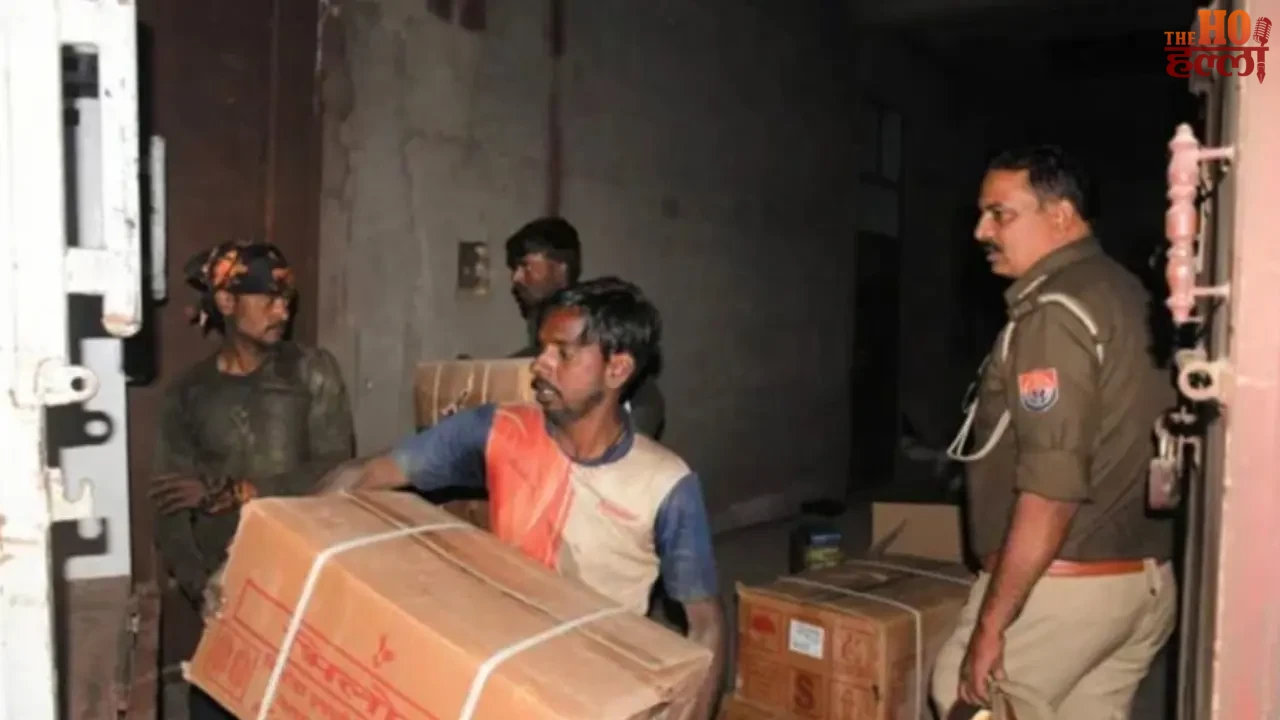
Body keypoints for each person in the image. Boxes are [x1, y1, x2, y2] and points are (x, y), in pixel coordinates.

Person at [319, 277, 724, 719]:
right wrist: (272, 537)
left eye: (563, 353)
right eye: (542, 349)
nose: (540, 366)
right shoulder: (499, 431)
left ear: (617, 369)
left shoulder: (664, 483)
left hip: (601, 688)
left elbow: (705, 624)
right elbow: (363, 474)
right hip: (504, 661)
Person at [933, 145, 1177, 719]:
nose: (981, 231)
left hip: (1068, 587)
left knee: (962, 698)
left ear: (1061, 215)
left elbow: (1052, 488)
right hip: (1143, 584)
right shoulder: (1130, 295)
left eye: (1001, 214)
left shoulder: (1055, 314)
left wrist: (993, 625)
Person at [149, 241, 355, 719]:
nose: (282, 310)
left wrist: (240, 492)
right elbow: (169, 504)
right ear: (226, 302)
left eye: (287, 299)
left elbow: (337, 470)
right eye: (269, 298)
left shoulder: (312, 373)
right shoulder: (189, 393)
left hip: (300, 581)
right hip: (224, 591)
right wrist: (201, 587)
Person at [504, 216, 666, 439]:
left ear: (560, 269)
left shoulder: (593, 318)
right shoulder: (542, 321)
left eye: (526, 266)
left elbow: (646, 400)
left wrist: (619, 451)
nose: (516, 277)